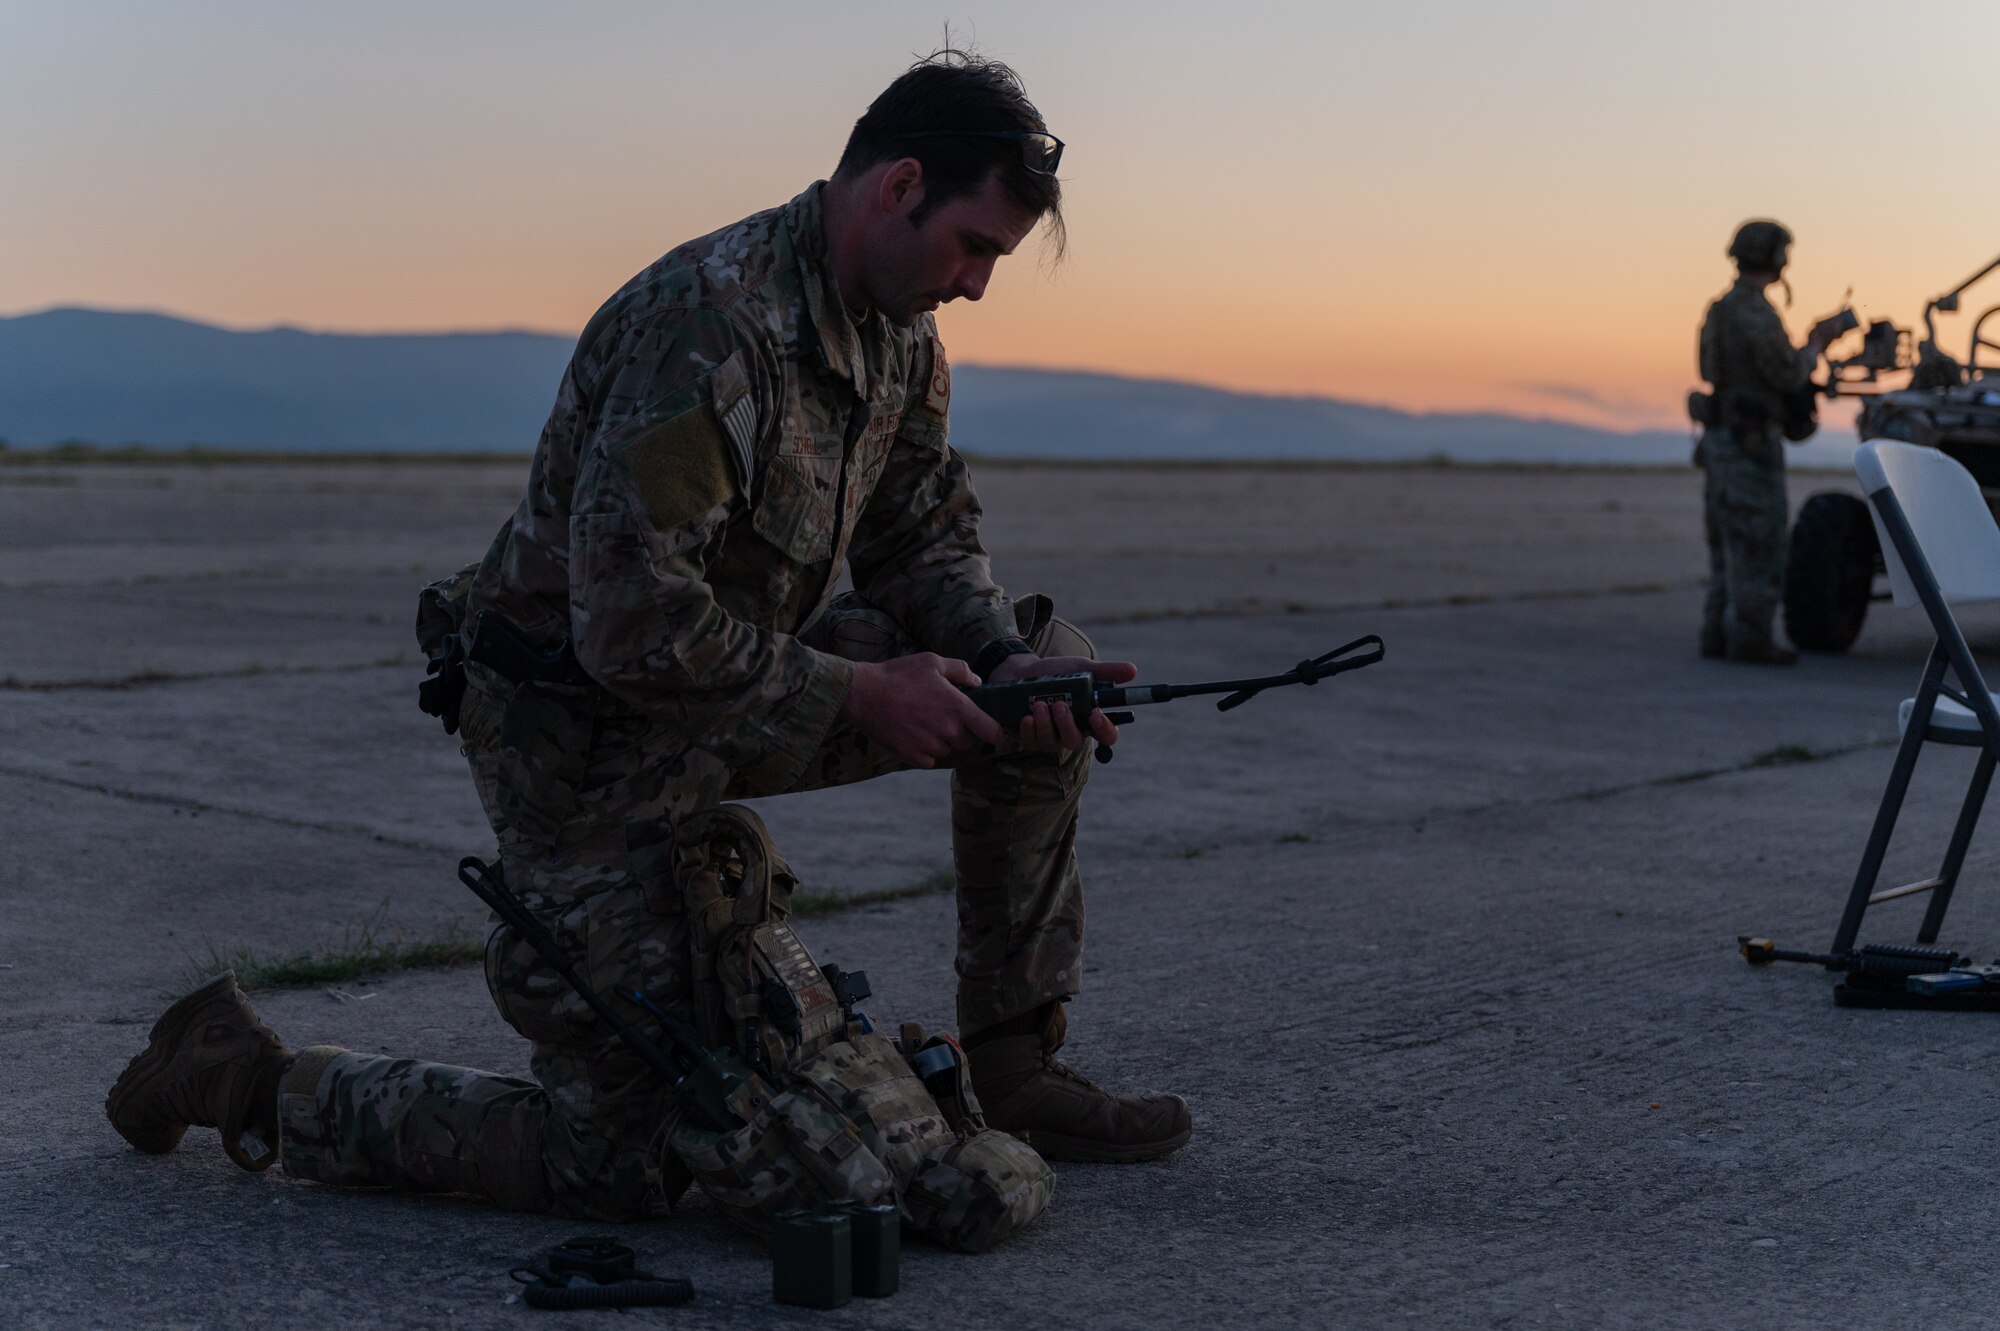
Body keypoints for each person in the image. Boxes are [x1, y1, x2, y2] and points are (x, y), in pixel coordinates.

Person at [105, 50, 1192, 1224]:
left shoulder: (896, 333)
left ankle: (1015, 1074)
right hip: (583, 737)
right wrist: (858, 693)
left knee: (1036, 678)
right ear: (898, 187)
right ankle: (238, 1069)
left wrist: (994, 658)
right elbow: (629, 625)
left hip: (742, 682)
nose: (977, 283)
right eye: (973, 245)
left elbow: (919, 527)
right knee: (625, 1164)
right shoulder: (706, 327)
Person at [1695, 219, 1851, 665]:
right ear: (1775, 257)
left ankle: (1716, 634)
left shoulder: (1719, 309)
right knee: (1760, 542)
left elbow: (1709, 370)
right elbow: (1787, 373)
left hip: (1721, 441)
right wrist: (1816, 344)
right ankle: (1750, 640)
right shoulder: (1755, 313)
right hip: (1750, 445)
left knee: (1726, 544)